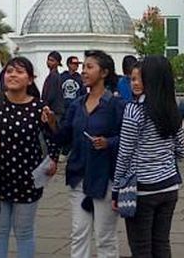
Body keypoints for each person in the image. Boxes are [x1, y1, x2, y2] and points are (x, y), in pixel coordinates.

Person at [41, 49, 125, 258]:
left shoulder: (115, 105)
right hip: (79, 176)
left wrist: (108, 142)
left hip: (104, 178)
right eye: (83, 67)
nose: (84, 71)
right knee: (79, 233)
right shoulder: (77, 105)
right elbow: (63, 137)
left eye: (89, 67)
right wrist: (52, 123)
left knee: (105, 237)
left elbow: (126, 139)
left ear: (104, 72)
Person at [112, 56, 184, 258]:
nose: (134, 83)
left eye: (139, 78)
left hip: (142, 189)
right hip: (169, 186)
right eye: (133, 79)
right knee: (161, 244)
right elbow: (181, 149)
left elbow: (125, 153)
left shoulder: (134, 111)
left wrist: (116, 189)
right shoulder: (173, 109)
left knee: (141, 248)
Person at [0, 56, 59, 258]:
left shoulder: (39, 107)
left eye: (19, 72)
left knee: (24, 232)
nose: (12, 75)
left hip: (28, 179)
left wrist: (53, 159)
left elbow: (53, 138)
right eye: (9, 71)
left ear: (30, 79)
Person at [43, 51, 65, 124]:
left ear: (57, 63)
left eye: (52, 60)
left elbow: (51, 94)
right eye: (48, 60)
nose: (49, 62)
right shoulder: (51, 75)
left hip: (54, 110)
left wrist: (45, 104)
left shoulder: (54, 76)